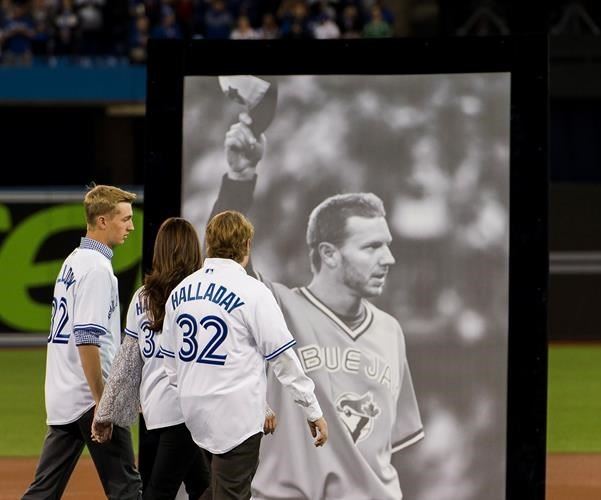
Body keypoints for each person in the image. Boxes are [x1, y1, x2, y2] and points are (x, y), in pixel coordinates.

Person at [210, 119, 424, 499]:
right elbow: (226, 261)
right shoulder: (277, 304)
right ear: (329, 254)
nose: (389, 258)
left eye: (387, 244)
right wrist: (239, 178)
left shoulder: (391, 330)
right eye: (372, 247)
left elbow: (397, 447)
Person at [160, 210, 328, 500]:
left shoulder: (181, 291)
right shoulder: (253, 292)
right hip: (235, 420)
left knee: (220, 489)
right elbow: (283, 359)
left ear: (208, 244)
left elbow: (172, 368)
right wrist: (312, 409)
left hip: (195, 414)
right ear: (247, 245)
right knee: (231, 493)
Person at [23, 184, 142, 500]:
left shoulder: (74, 261)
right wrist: (104, 403)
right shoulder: (96, 269)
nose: (131, 226)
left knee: (43, 491)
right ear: (102, 221)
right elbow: (87, 339)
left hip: (66, 394)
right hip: (91, 398)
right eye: (124, 219)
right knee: (127, 489)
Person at [91, 217, 210, 500]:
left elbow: (126, 363)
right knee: (169, 491)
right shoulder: (199, 296)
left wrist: (105, 412)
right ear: (194, 251)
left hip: (155, 412)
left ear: (160, 251)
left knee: (199, 485)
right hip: (188, 410)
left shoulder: (142, 297)